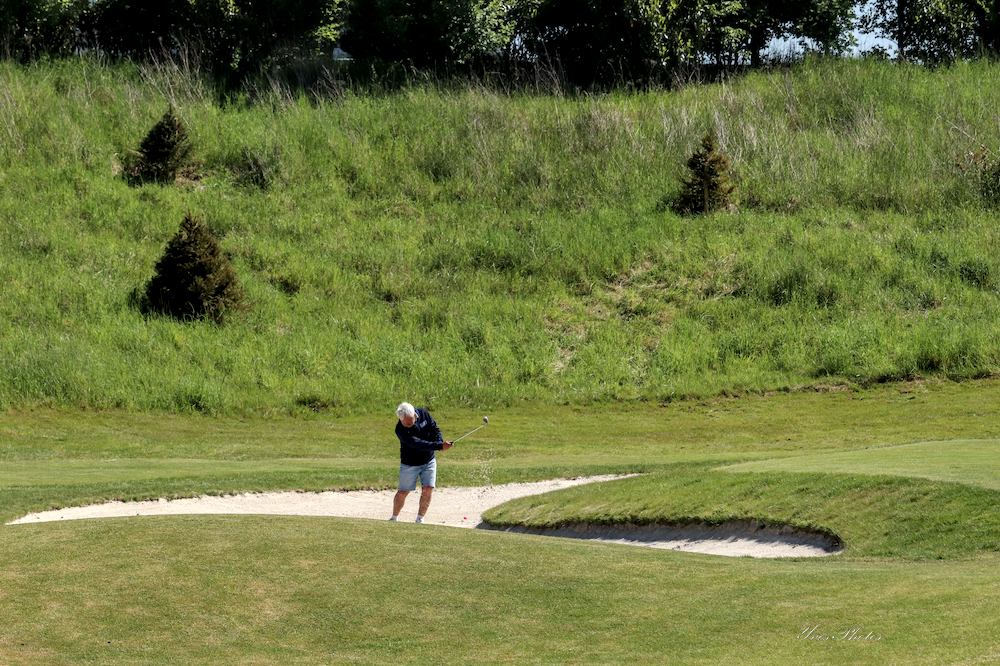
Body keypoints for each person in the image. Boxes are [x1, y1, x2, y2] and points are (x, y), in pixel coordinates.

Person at [390, 402, 452, 523]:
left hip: (428, 460)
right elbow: (418, 444)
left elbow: (434, 428)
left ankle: (420, 519)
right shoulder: (400, 430)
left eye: (409, 423)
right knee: (403, 492)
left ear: (414, 415)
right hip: (409, 463)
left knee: (428, 489)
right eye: (404, 423)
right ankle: (394, 518)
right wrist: (439, 446)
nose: (407, 425)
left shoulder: (423, 413)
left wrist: (440, 442)